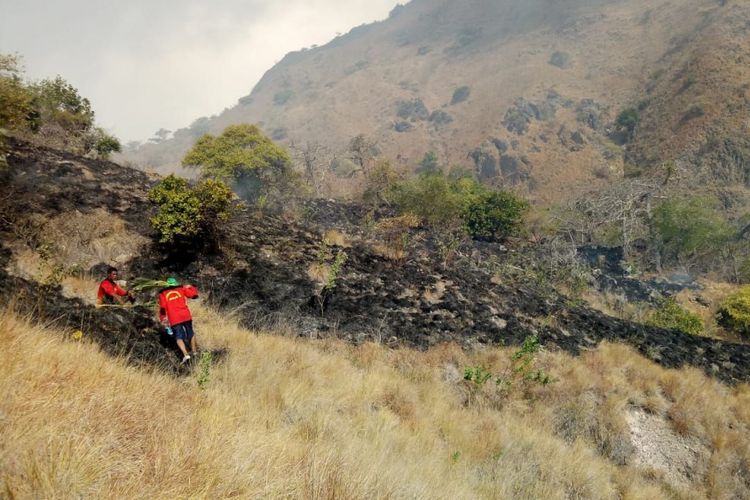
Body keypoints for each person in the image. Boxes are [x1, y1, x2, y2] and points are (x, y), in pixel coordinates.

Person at [158, 277, 200, 364]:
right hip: (185, 315)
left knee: (178, 337)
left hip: (174, 318)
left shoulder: (163, 293)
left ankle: (186, 355)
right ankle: (195, 352)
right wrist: (191, 287)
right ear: (176, 283)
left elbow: (163, 307)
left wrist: (163, 319)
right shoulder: (181, 289)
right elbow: (194, 295)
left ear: (167, 284)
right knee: (190, 333)